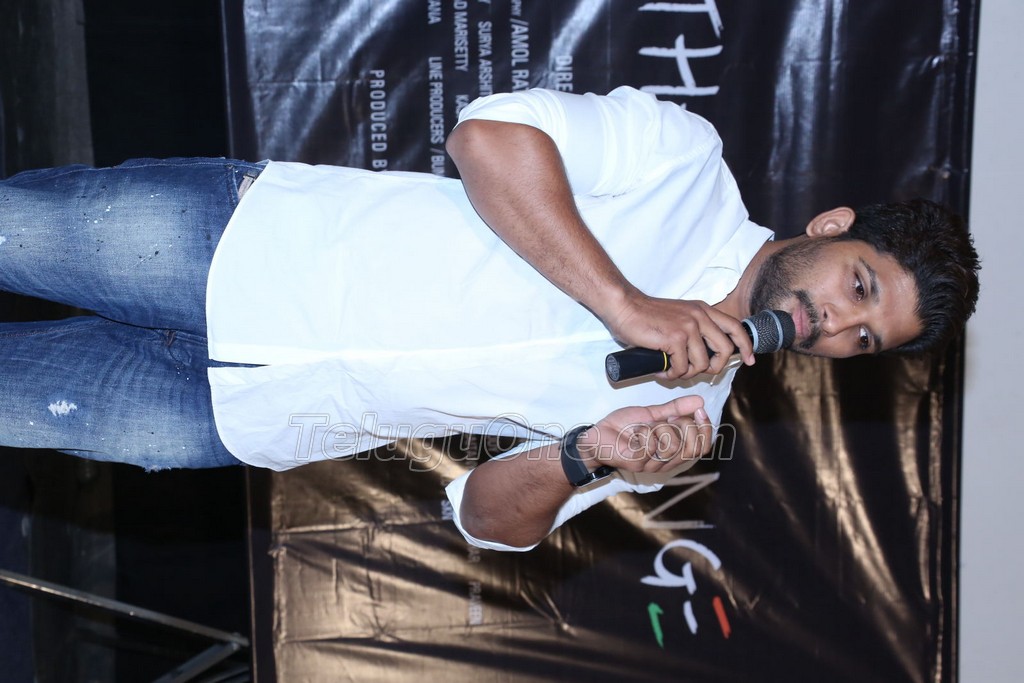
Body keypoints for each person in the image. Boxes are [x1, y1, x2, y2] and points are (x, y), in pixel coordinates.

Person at [0, 86, 979, 552]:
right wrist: (626, 303)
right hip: (229, 242)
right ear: (831, 226)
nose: (834, 323)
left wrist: (586, 453)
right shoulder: (686, 166)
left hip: (236, 415)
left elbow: (482, 520)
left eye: (862, 338)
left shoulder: (682, 426)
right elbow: (488, 137)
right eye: (859, 285)